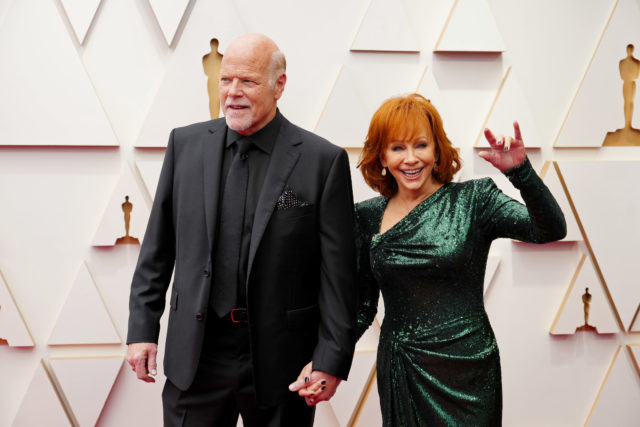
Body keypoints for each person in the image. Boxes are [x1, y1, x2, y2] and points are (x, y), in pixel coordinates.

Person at [126, 33, 357, 427]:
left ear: (278, 85)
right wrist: (142, 329)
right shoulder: (185, 144)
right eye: (225, 80)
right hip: (195, 355)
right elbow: (157, 248)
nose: (232, 92)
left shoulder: (323, 161)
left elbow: (337, 276)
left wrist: (330, 359)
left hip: (281, 360)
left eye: (247, 81)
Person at [349, 94, 566, 425]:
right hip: (403, 367)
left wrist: (521, 172)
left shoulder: (475, 200)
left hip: (469, 369)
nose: (410, 159)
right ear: (381, 155)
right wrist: (320, 361)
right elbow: (362, 308)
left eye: (420, 145)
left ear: (436, 150)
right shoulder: (365, 217)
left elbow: (549, 229)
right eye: (397, 148)